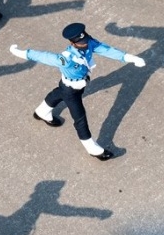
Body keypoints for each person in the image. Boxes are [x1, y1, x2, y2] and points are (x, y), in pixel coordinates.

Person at [10, 23, 145, 160]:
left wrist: (130, 58)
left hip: (76, 86)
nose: (85, 43)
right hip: (71, 89)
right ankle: (92, 148)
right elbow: (44, 57)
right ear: (73, 43)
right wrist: (22, 53)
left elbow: (106, 50)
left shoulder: (89, 43)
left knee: (58, 94)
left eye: (85, 39)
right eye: (81, 42)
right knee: (80, 118)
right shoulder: (66, 59)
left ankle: (41, 112)